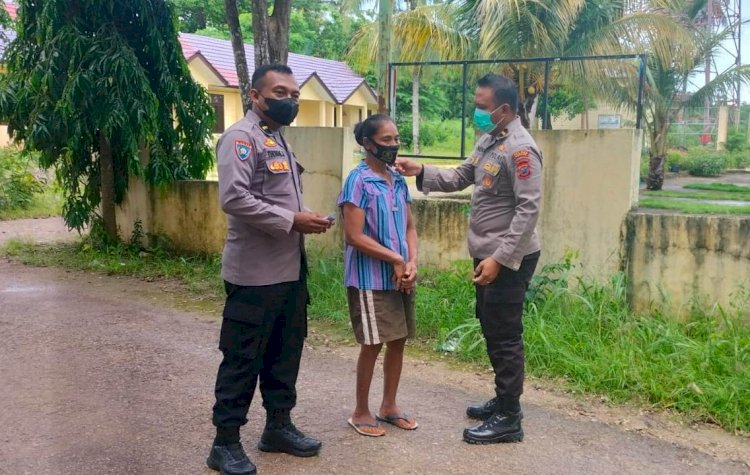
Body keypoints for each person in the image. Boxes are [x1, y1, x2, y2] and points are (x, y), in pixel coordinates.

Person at [396, 74, 542, 445]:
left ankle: (510, 417)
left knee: (505, 334)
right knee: (493, 327)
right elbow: (462, 175)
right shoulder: (491, 140)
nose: (476, 111)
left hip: (508, 257)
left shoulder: (521, 150)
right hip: (487, 254)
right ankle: (503, 400)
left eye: (481, 106)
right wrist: (422, 171)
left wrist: (500, 259)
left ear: (503, 109)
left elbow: (528, 210)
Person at [207, 64, 333, 475]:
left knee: (285, 352)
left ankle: (278, 427)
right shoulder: (241, 139)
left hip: (289, 270)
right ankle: (224, 443)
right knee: (242, 358)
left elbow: (276, 197)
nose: (290, 100)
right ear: (255, 96)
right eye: (281, 92)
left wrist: (301, 216)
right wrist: (292, 220)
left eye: (295, 95)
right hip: (254, 275)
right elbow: (234, 198)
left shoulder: (276, 137)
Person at [338, 114, 419, 437]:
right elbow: (354, 236)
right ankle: (360, 411)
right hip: (370, 279)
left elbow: (410, 227)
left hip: (400, 278)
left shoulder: (397, 179)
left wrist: (411, 262)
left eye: (396, 139)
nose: (394, 145)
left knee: (398, 341)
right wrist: (395, 258)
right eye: (386, 140)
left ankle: (389, 406)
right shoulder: (357, 181)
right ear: (367, 143)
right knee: (372, 344)